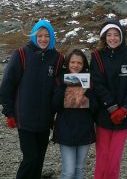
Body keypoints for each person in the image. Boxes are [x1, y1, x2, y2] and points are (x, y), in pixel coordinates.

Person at [0, 20, 64, 179]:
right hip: (24, 118)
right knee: (30, 158)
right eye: (39, 36)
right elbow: (7, 84)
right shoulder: (21, 54)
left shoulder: (57, 58)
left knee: (39, 158)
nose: (43, 39)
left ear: (52, 37)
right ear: (34, 36)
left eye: (46, 36)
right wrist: (8, 112)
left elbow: (61, 85)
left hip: (44, 119)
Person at [90, 19, 127, 179]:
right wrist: (112, 107)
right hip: (104, 115)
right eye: (109, 35)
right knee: (102, 156)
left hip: (124, 116)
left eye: (116, 34)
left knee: (114, 158)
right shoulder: (97, 56)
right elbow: (97, 85)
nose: (113, 38)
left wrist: (124, 109)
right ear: (104, 37)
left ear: (122, 35)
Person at [52, 49, 97, 179]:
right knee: (69, 171)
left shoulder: (90, 81)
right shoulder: (60, 80)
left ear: (84, 65)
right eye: (73, 62)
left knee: (80, 170)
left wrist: (86, 93)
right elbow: (53, 106)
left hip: (85, 130)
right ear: (68, 63)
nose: (75, 65)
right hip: (65, 130)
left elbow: (96, 108)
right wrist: (63, 89)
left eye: (79, 63)